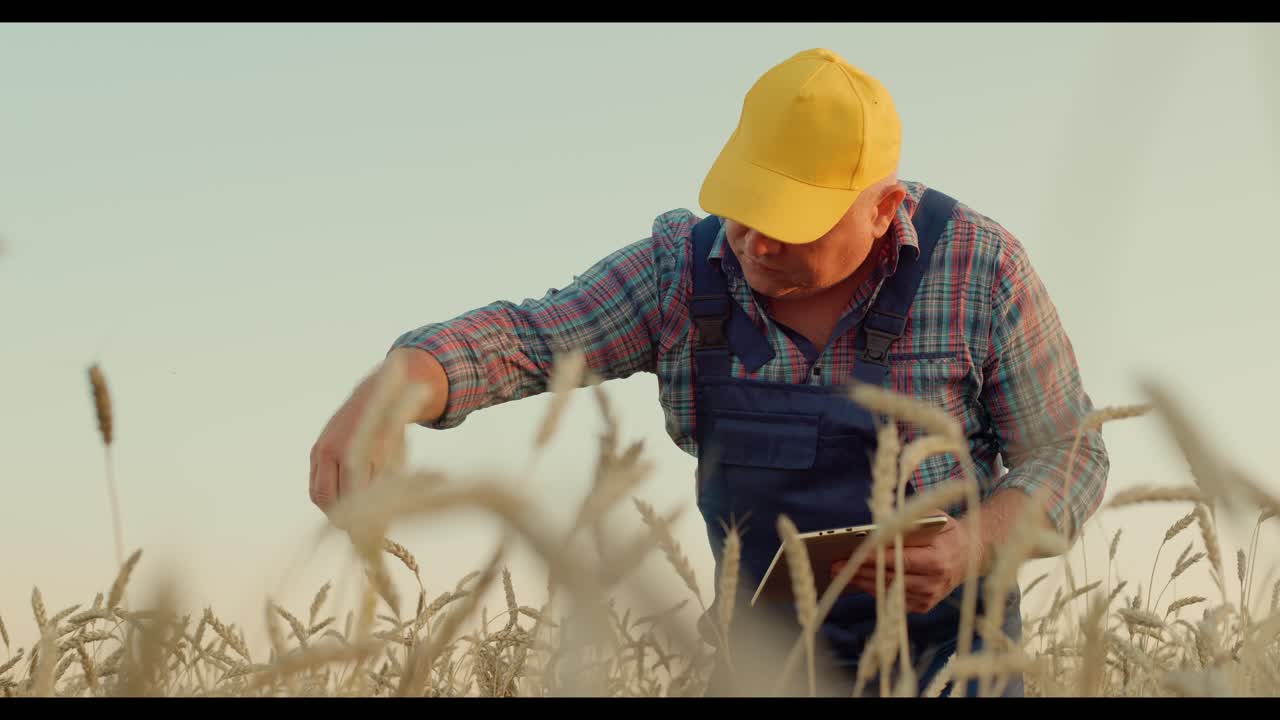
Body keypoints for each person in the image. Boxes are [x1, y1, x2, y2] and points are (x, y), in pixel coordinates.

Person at [308, 48, 1110, 697]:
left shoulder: (979, 268)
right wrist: (395, 384)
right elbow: (529, 338)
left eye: (791, 221)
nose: (756, 242)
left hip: (952, 675)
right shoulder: (682, 275)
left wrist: (973, 542)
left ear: (881, 207)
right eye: (745, 204)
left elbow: (1072, 451)